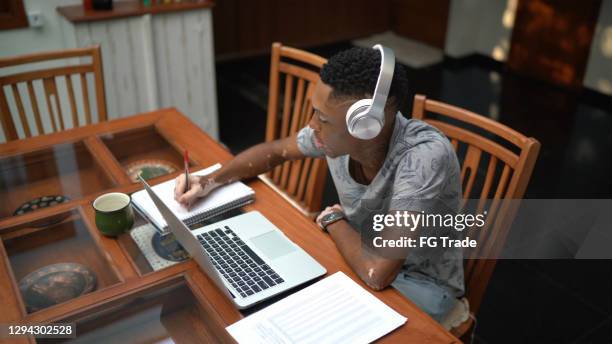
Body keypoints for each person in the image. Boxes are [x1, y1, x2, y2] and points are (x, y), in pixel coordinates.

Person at [174, 46, 463, 322]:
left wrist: (333, 220)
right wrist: (208, 181)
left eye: (323, 118)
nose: (313, 125)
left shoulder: (423, 157)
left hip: (422, 288)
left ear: (366, 125)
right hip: (356, 260)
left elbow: (378, 272)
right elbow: (276, 151)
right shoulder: (332, 139)